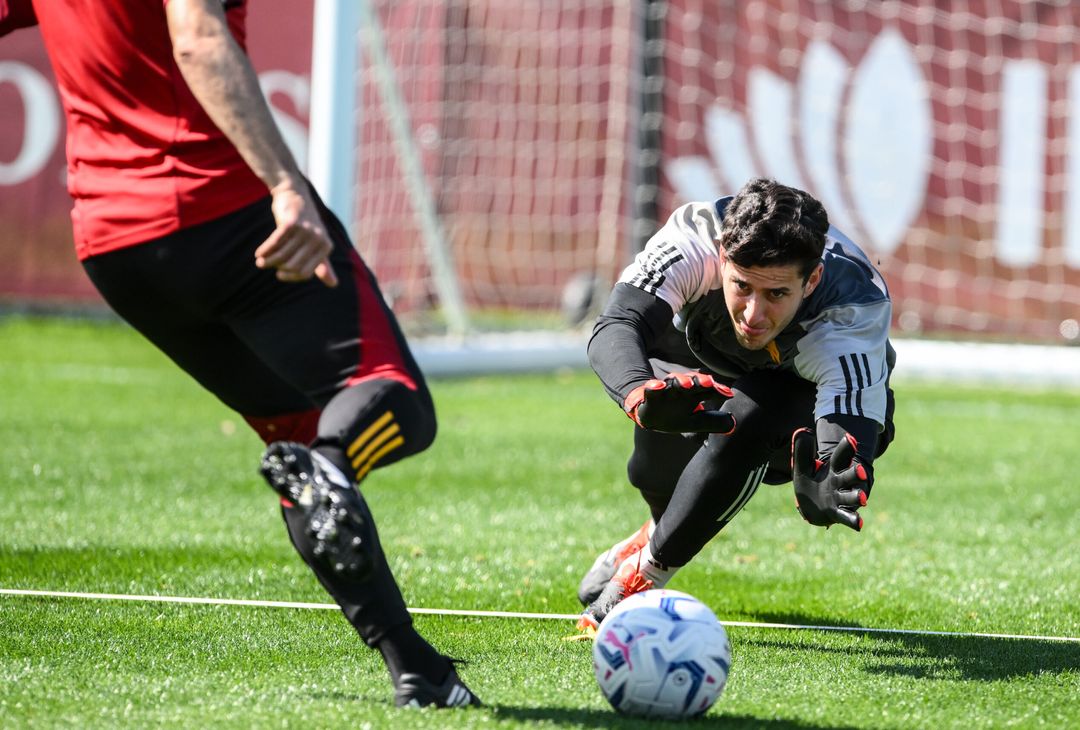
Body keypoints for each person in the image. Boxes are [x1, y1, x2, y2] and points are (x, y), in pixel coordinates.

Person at [1, 0, 479, 708]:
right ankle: (333, 468)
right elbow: (195, 35)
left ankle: (417, 669)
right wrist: (287, 187)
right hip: (223, 210)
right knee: (393, 398)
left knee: (296, 433)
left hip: (115, 248)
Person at [577, 177, 896, 631]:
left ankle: (645, 573)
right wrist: (638, 396)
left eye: (777, 294)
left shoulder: (852, 306)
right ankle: (659, 528)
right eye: (742, 285)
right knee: (653, 473)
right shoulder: (693, 236)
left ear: (813, 280)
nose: (753, 314)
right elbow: (617, 323)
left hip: (798, 393)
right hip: (707, 351)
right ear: (722, 257)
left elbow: (848, 434)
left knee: (753, 414)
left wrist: (833, 473)